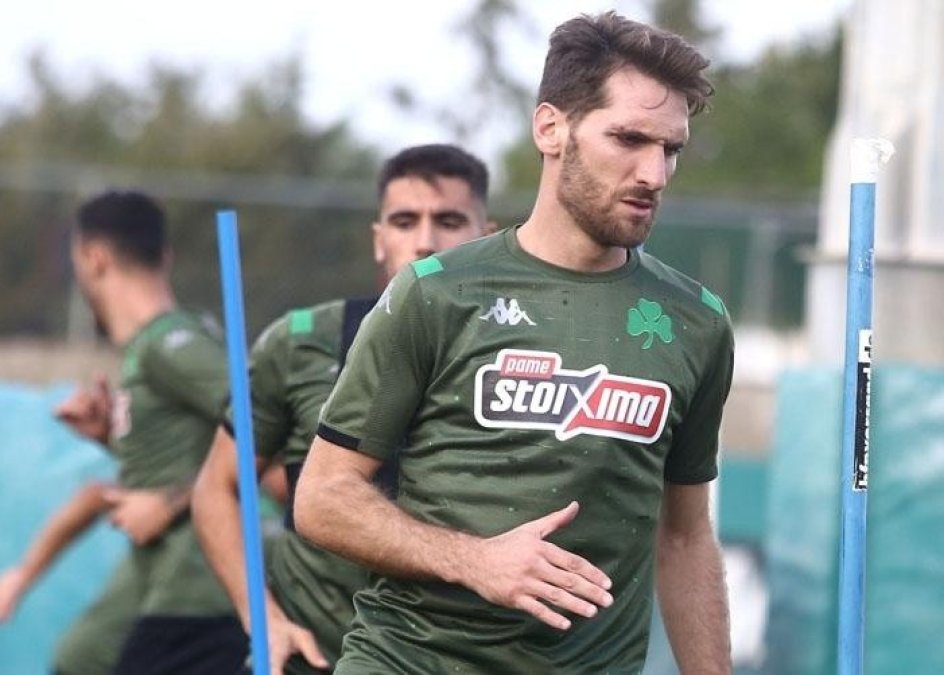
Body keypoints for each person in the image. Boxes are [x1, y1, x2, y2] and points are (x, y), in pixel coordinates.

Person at [294, 11, 733, 674]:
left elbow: (685, 535)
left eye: (670, 148)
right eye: (629, 138)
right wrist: (473, 558)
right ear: (550, 128)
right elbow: (323, 496)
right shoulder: (437, 292)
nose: (655, 173)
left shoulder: (696, 323)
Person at [191, 144, 493, 675]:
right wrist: (262, 619)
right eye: (404, 221)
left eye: (448, 220)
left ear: (486, 235)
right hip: (315, 657)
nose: (425, 241)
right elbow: (217, 486)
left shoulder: (521, 359)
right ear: (379, 240)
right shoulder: (300, 341)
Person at [26, 191, 247, 674]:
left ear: (93, 258)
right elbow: (192, 450)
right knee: (78, 660)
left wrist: (166, 502)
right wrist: (110, 435)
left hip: (199, 588)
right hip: (158, 577)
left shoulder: (172, 345)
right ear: (164, 256)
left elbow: (263, 427)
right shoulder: (145, 350)